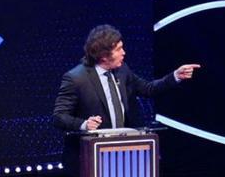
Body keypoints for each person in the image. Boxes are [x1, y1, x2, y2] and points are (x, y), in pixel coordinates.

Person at [52, 25, 201, 131]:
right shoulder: (76, 78)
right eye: (118, 49)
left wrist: (175, 76)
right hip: (89, 156)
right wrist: (84, 124)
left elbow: (148, 89)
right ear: (103, 56)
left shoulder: (123, 70)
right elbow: (59, 117)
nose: (124, 52)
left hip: (122, 148)